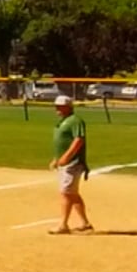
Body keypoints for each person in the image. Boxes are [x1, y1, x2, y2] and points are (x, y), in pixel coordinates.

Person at [49, 95, 94, 235]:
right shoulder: (63, 121)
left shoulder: (75, 121)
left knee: (66, 193)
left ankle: (63, 225)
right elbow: (62, 142)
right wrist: (57, 159)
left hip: (73, 163)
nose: (57, 108)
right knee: (72, 194)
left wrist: (66, 157)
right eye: (56, 106)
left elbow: (78, 140)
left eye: (60, 106)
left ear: (69, 107)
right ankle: (85, 223)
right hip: (66, 162)